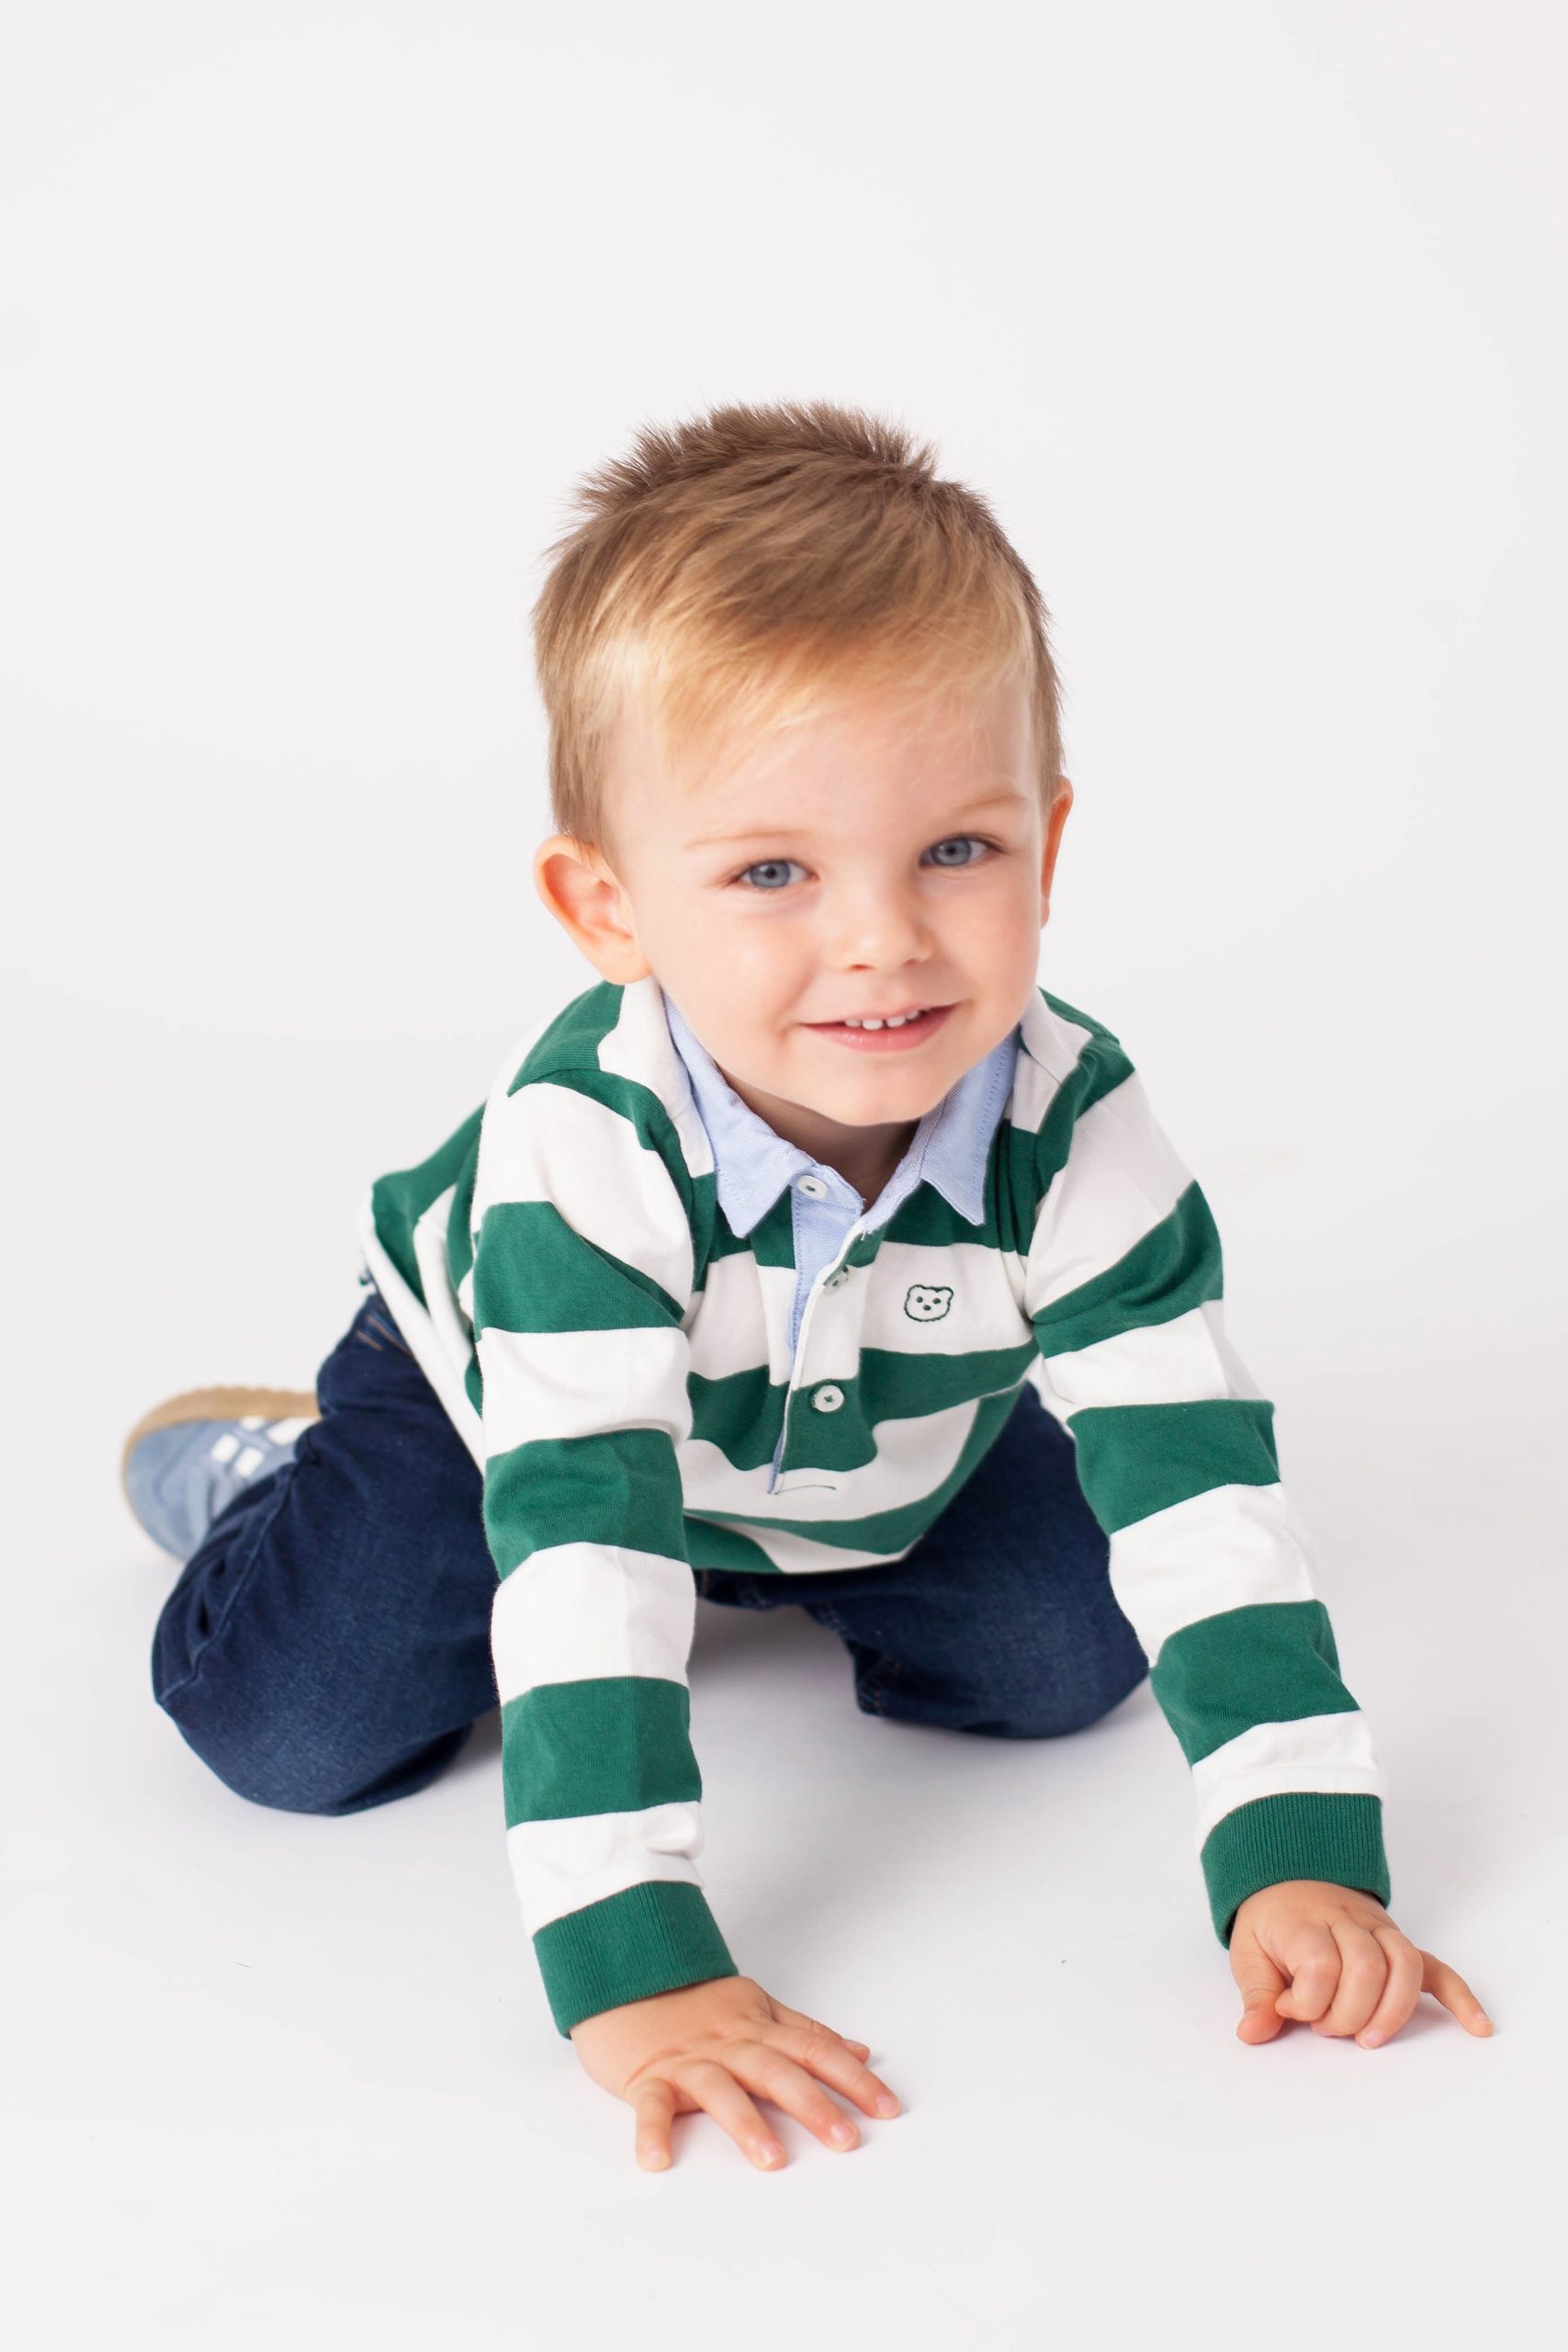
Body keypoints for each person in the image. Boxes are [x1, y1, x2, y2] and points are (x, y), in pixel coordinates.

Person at [121, 399, 1491, 2173]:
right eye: (773, 872)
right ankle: (279, 1492)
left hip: (862, 1421)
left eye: (957, 851)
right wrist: (637, 1967)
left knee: (1059, 1655)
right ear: (607, 908)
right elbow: (586, 1545)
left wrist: (1300, 1856)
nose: (883, 940)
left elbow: (1195, 1482)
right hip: (518, 1413)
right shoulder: (583, 1149)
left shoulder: (1078, 1121)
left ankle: (757, 1550)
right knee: (299, 1733)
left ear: (1049, 844)